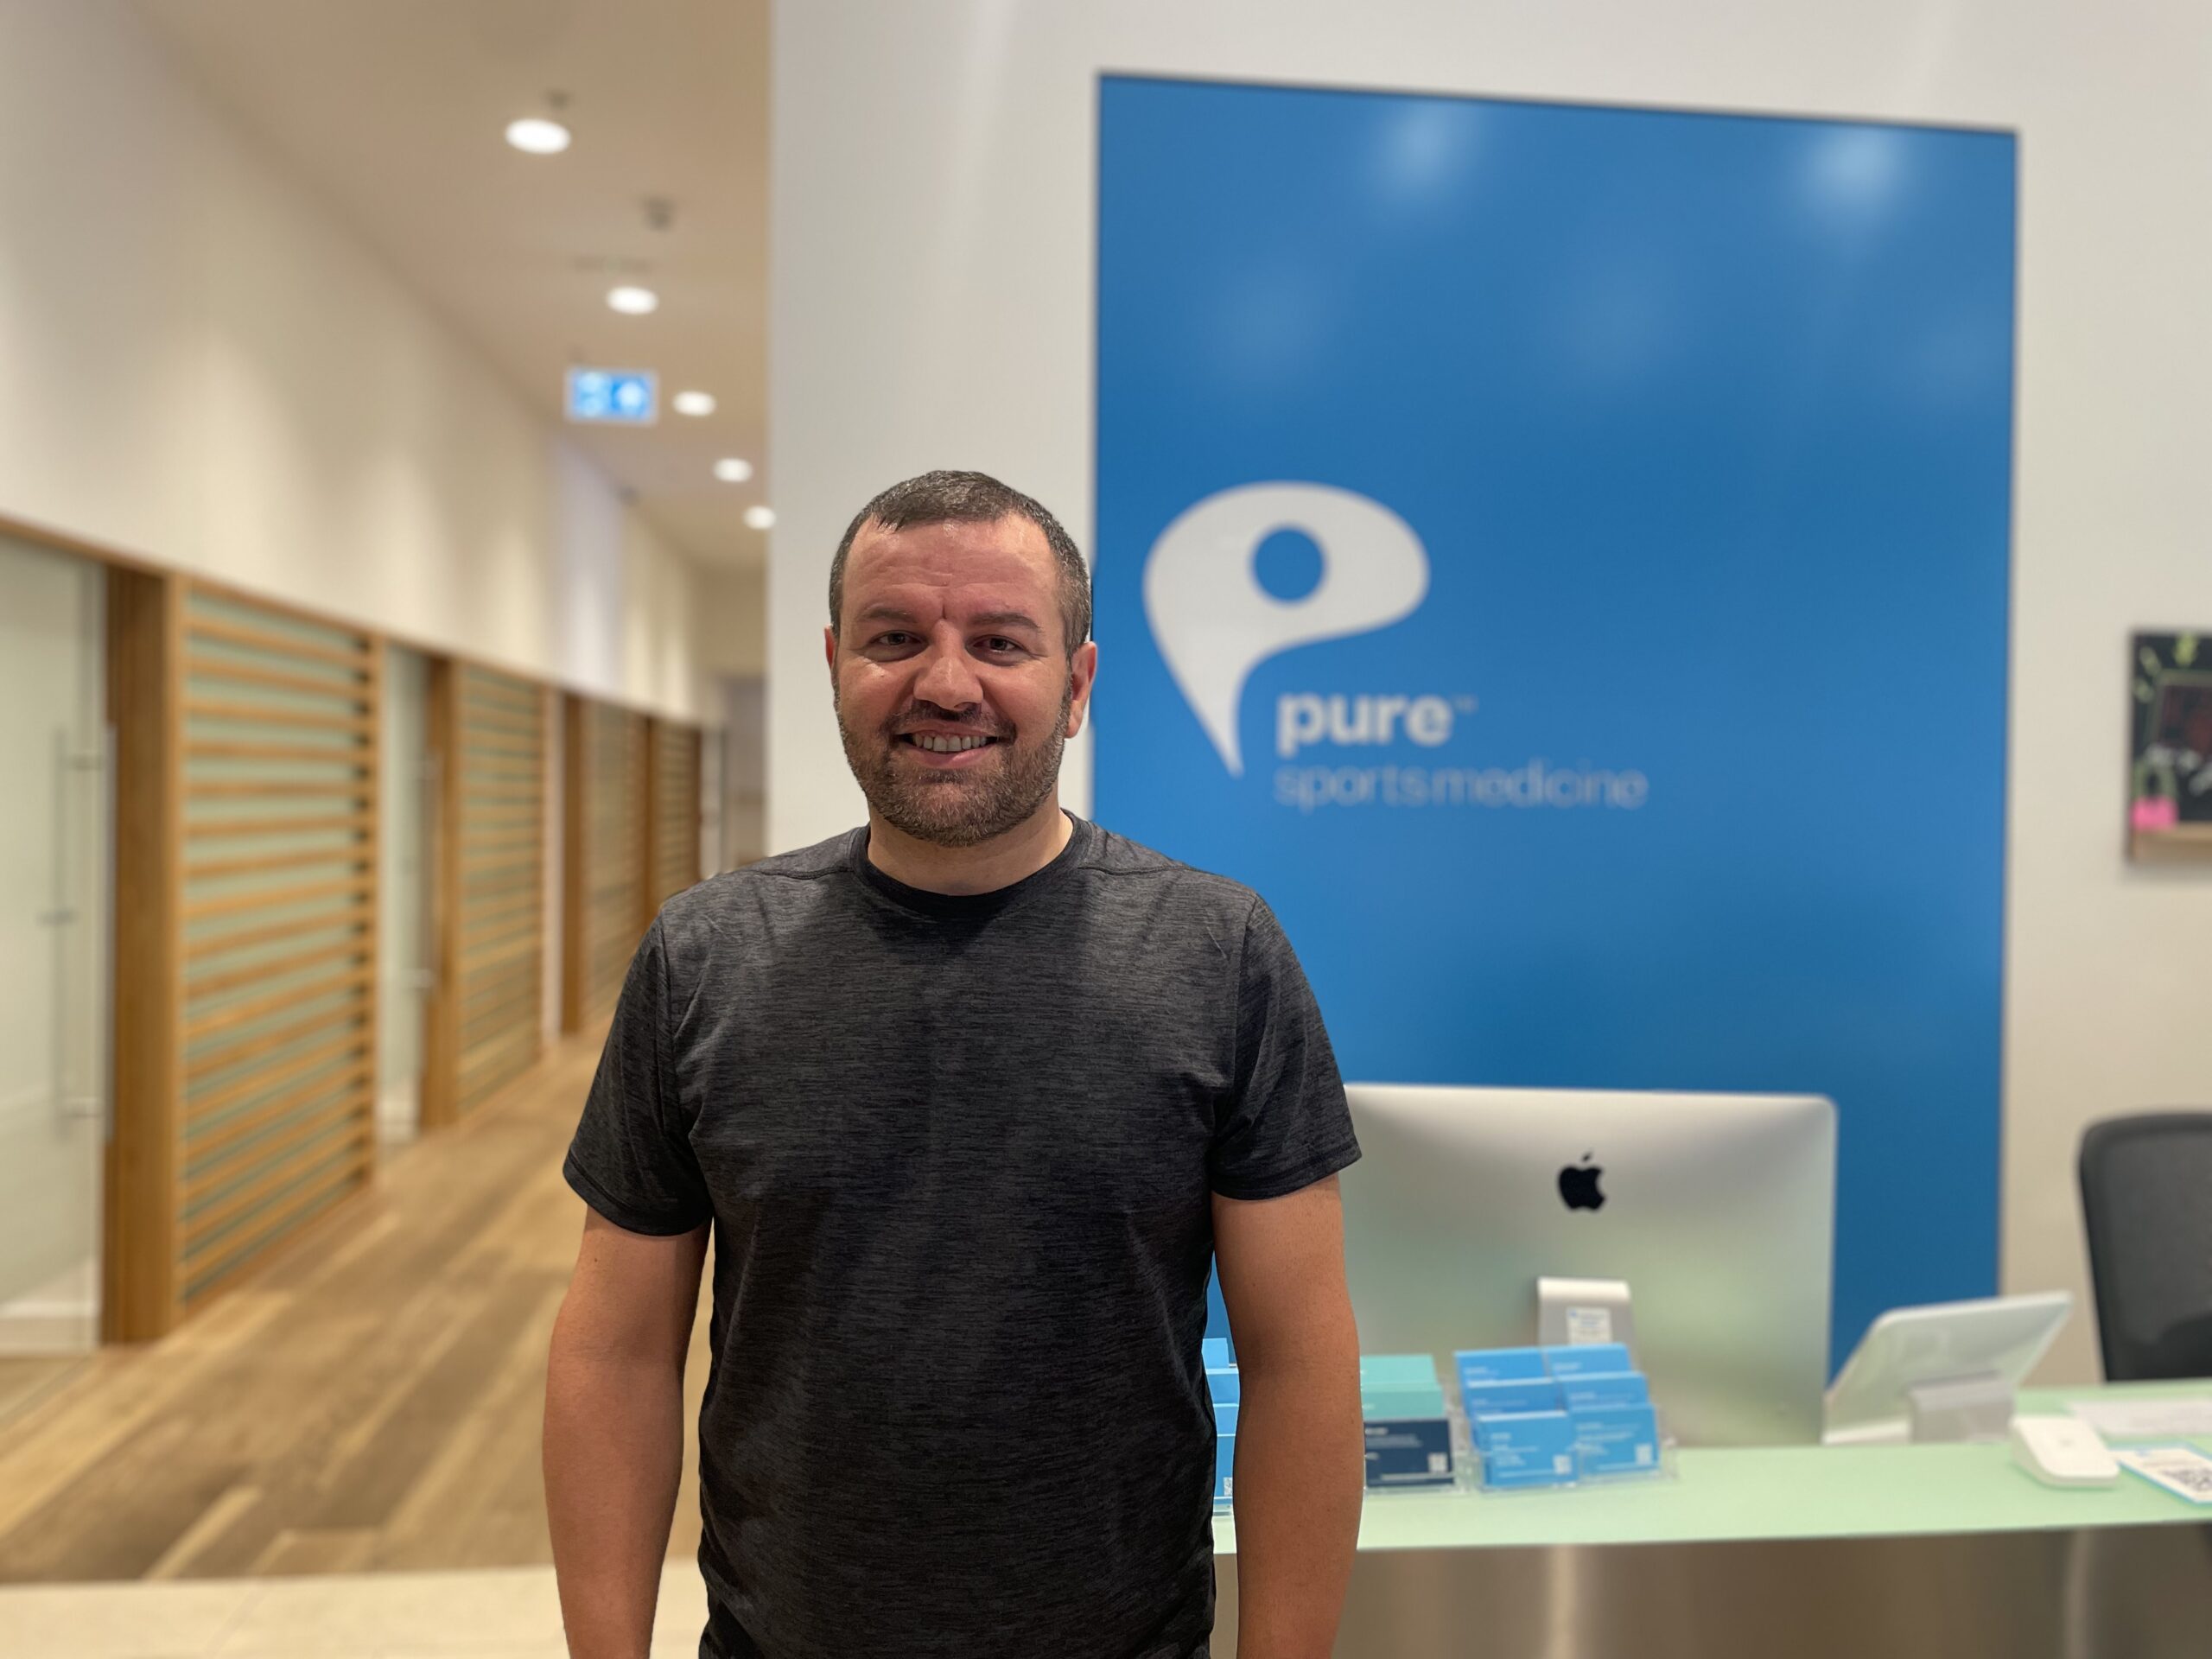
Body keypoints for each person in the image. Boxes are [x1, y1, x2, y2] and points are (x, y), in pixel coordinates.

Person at [543, 470, 1365, 1659]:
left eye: (999, 641)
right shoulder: (705, 956)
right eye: (894, 639)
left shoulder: (1218, 953)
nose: (944, 682)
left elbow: (1299, 1364)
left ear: (1076, 684)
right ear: (836, 665)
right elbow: (616, 1354)